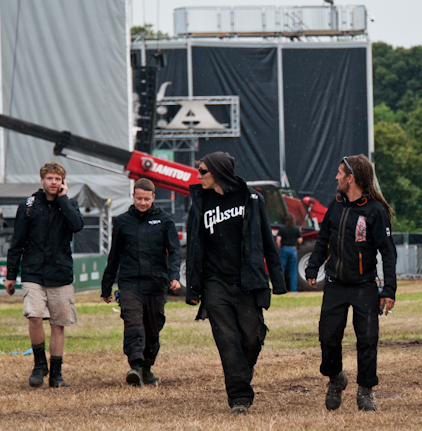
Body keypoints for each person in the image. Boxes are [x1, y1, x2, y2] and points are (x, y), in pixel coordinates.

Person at [185, 152, 286, 414]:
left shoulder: (251, 199)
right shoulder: (199, 201)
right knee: (227, 339)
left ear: (218, 172)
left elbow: (266, 240)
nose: (198, 176)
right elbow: (193, 247)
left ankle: (241, 372)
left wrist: (278, 280)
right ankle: (239, 397)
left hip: (247, 281)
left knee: (251, 338)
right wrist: (193, 287)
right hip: (214, 282)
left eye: (203, 171)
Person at [305, 154, 397, 412]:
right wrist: (313, 266)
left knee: (367, 340)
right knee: (328, 337)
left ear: (351, 179)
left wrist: (389, 290)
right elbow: (323, 239)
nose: (336, 176)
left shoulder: (375, 211)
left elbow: (388, 253)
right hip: (335, 285)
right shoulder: (335, 205)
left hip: (364, 287)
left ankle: (365, 391)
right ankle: (336, 378)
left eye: (339, 173)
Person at [5, 162, 84, 388]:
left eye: (57, 179)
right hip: (33, 271)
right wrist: (11, 274)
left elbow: (77, 226)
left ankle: (56, 374)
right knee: (34, 316)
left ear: (63, 182)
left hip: (60, 273)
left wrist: (63, 200)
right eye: (50, 178)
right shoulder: (29, 206)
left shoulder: (69, 204)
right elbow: (17, 242)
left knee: (58, 324)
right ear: (42, 180)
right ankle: (40, 365)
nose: (53, 182)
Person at [101, 178, 182, 385]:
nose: (143, 203)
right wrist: (106, 286)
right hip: (130, 283)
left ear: (153, 197)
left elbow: (174, 251)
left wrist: (174, 275)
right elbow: (114, 256)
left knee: (153, 328)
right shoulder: (122, 221)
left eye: (146, 199)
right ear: (133, 197)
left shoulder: (165, 220)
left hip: (156, 283)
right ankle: (135, 365)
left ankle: (146, 367)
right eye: (139, 199)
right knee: (133, 322)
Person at [276, 214, 303, 293]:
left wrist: (279, 248)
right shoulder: (296, 229)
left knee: (281, 269)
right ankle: (293, 289)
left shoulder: (282, 229)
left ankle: (280, 287)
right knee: (293, 271)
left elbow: (278, 240)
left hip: (284, 248)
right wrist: (300, 232)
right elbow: (300, 241)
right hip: (293, 249)